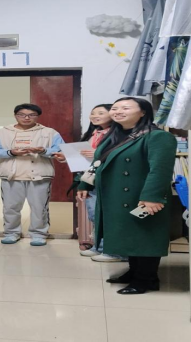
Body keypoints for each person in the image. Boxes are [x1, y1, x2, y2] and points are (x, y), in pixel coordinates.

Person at [77, 97, 176, 295]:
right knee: (128, 236)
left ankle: (146, 279)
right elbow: (98, 163)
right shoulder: (113, 135)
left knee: (144, 236)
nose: (118, 111)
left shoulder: (157, 136)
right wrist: (84, 183)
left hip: (141, 196)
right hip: (115, 196)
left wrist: (152, 197)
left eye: (126, 108)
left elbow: (160, 170)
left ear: (143, 112)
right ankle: (133, 272)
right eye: (115, 108)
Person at [0, 104, 65, 246]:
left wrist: (43, 151)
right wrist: (10, 152)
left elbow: (61, 150)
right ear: (15, 115)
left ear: (37, 116)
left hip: (40, 176)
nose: (26, 118)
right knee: (10, 207)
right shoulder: (1, 133)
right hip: (11, 176)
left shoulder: (50, 133)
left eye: (31, 115)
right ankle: (11, 233)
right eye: (22, 115)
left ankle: (38, 234)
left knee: (39, 208)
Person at [77, 104, 127, 262]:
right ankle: (99, 246)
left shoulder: (120, 134)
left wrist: (98, 153)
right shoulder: (93, 133)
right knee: (95, 215)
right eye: (93, 113)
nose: (95, 116)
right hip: (91, 178)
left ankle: (114, 250)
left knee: (110, 216)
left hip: (108, 180)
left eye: (100, 113)